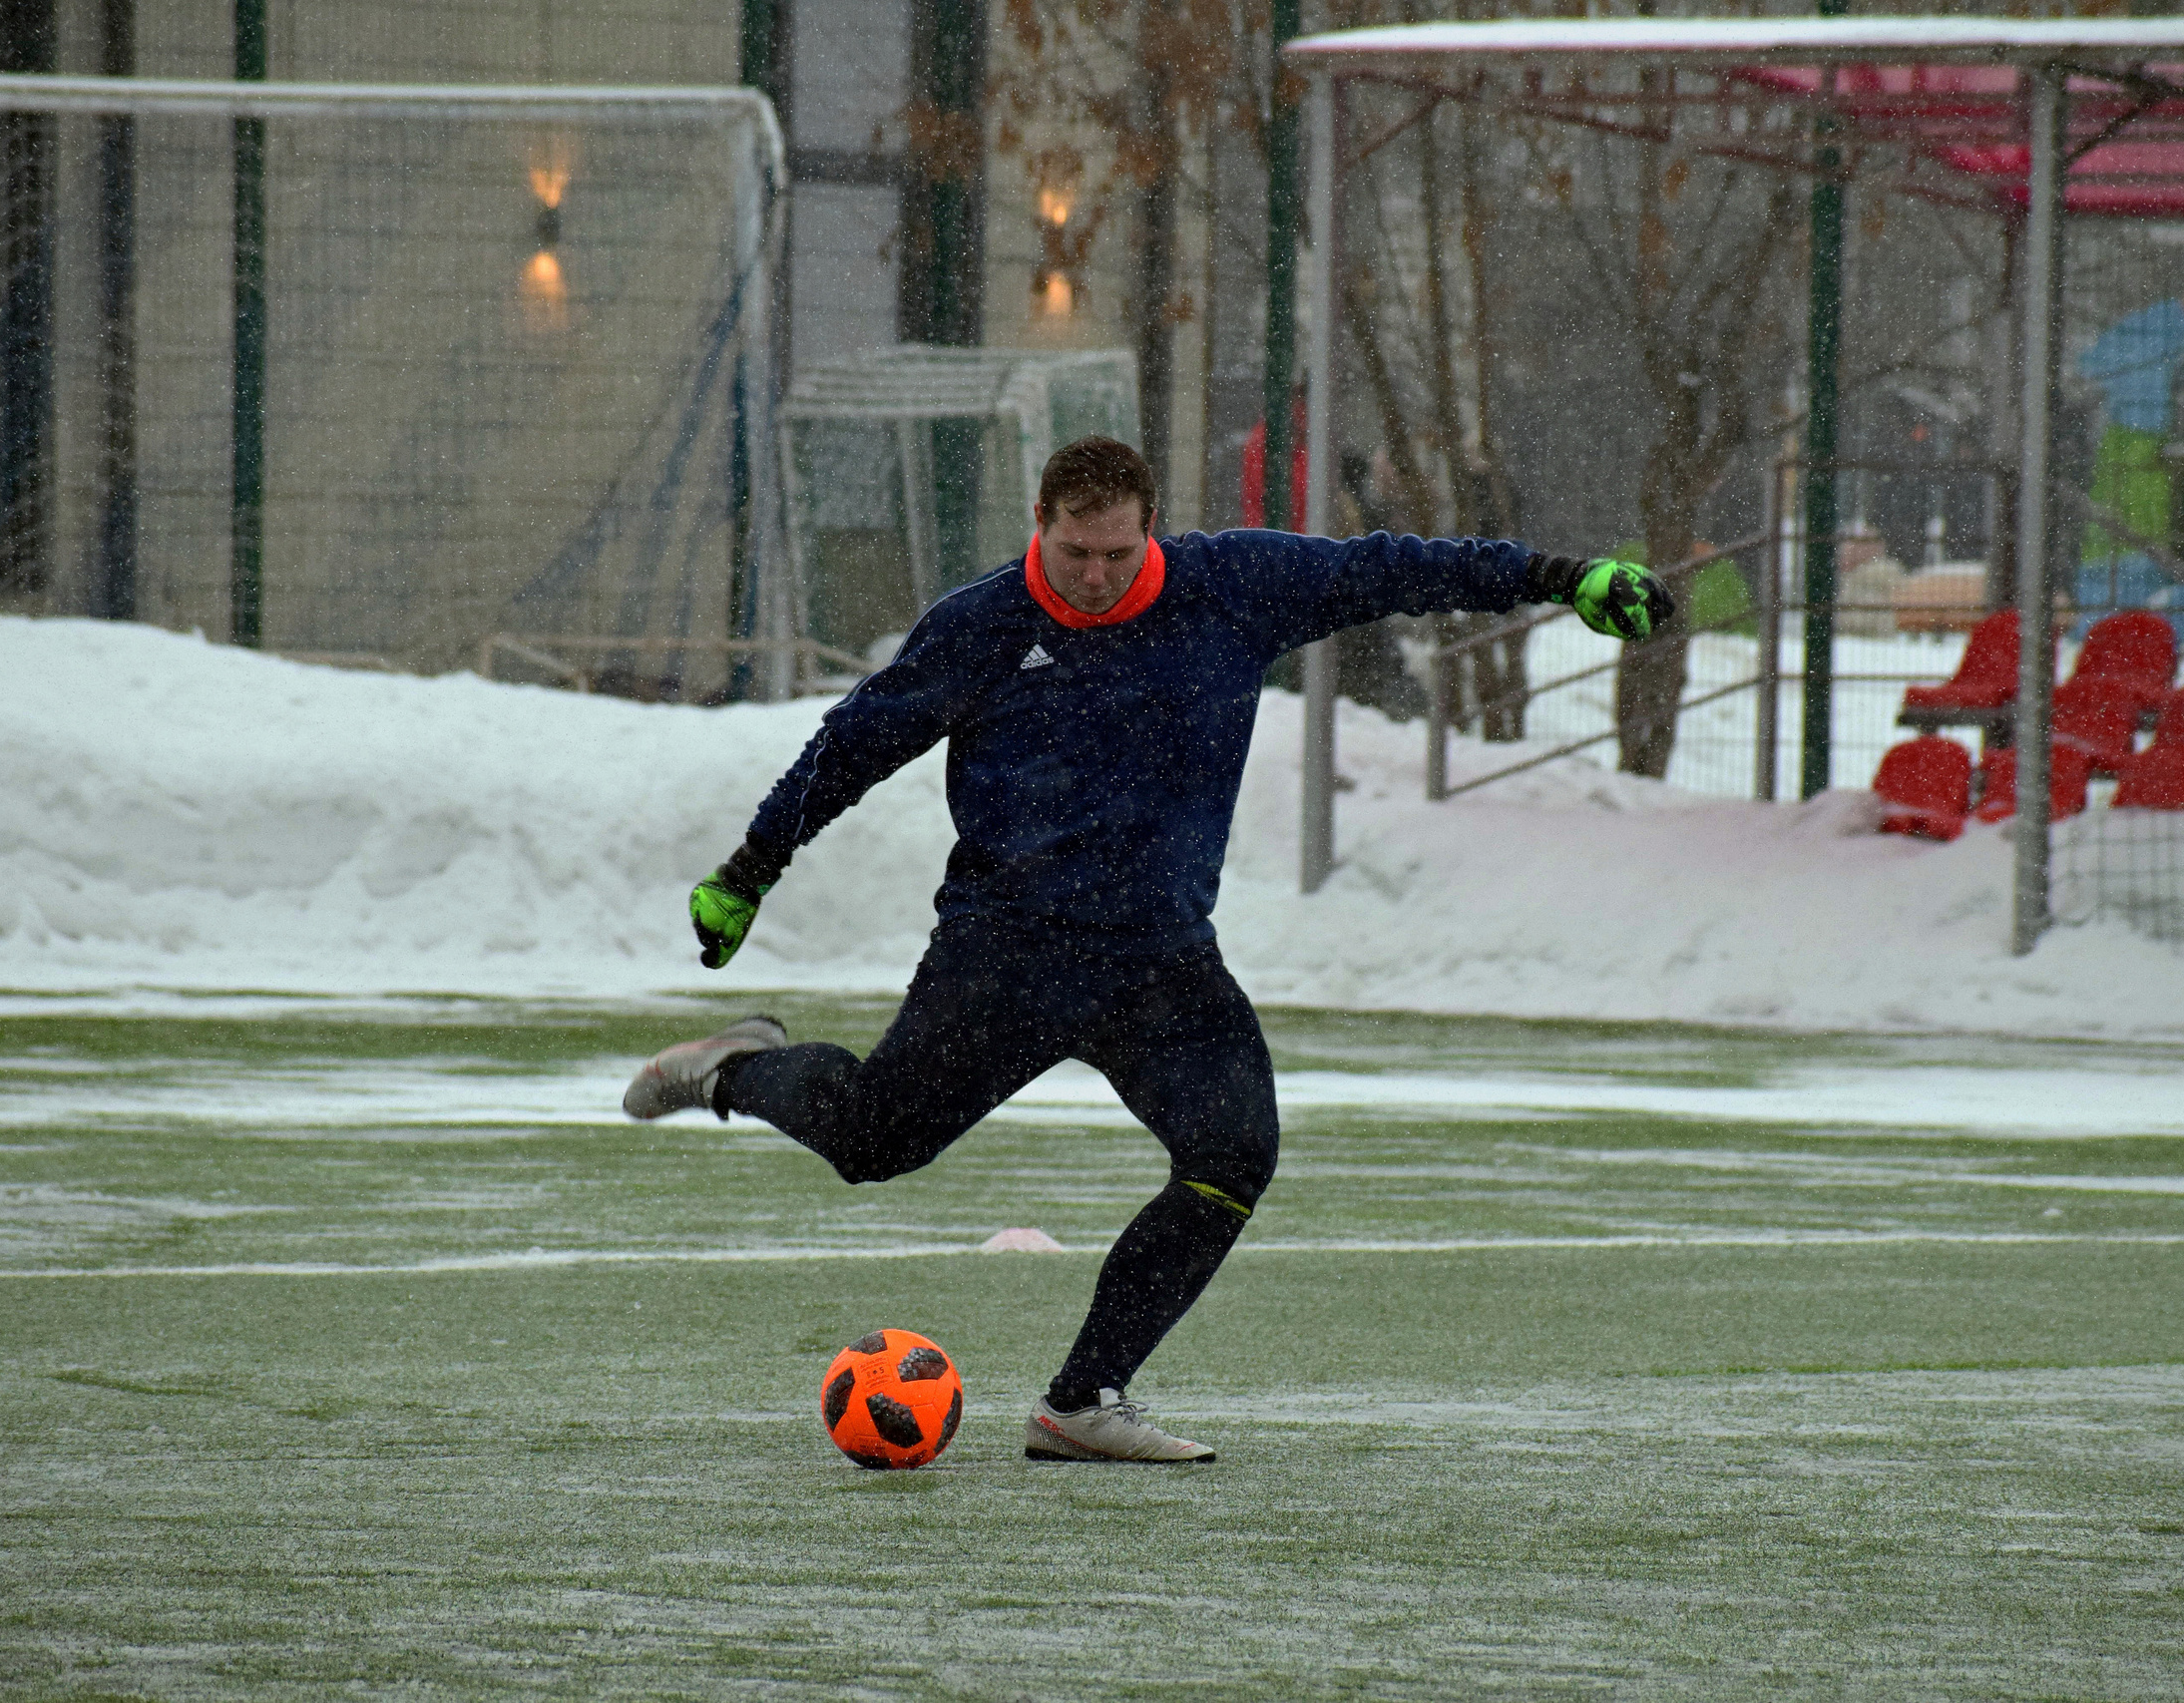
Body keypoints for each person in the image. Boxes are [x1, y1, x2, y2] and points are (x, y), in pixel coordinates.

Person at [624, 436, 1669, 1464]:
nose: (1092, 575)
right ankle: (737, 1067)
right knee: (872, 1147)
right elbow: (850, 745)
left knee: (1231, 1158)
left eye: (1116, 554)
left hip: (1158, 963)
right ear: (1040, 526)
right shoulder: (982, 625)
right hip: (1007, 953)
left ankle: (1083, 1400)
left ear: (1148, 529)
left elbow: (1390, 567)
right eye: (1074, 552)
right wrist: (750, 868)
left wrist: (1559, 579)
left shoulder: (1233, 585)